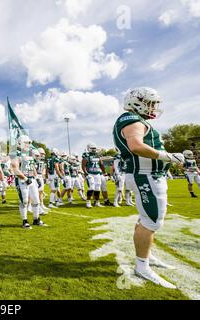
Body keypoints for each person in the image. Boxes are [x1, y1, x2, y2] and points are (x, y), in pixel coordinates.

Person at [113, 87, 185, 288]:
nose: (154, 107)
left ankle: (147, 256)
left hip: (150, 176)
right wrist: (167, 156)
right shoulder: (131, 119)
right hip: (145, 176)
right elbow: (136, 146)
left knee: (146, 219)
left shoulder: (134, 120)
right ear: (138, 102)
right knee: (151, 221)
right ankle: (142, 266)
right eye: (151, 103)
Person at [10, 135, 47, 229]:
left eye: (29, 143)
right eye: (26, 143)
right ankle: (24, 221)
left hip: (32, 179)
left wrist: (36, 177)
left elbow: (32, 166)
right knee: (25, 201)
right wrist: (25, 179)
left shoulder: (30, 154)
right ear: (20, 143)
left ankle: (36, 219)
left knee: (36, 200)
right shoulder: (16, 154)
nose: (28, 145)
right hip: (22, 180)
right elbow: (15, 169)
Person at [82, 143, 108, 208]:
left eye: (94, 148)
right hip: (90, 173)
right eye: (92, 148)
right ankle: (88, 202)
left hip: (97, 174)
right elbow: (83, 166)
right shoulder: (86, 155)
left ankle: (97, 202)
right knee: (91, 187)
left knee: (98, 188)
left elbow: (101, 165)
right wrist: (86, 173)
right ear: (89, 148)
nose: (94, 149)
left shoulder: (97, 155)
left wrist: (105, 173)